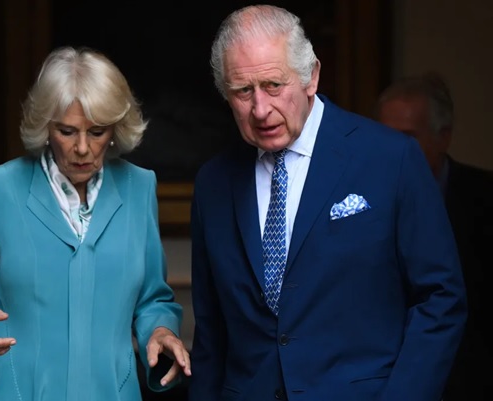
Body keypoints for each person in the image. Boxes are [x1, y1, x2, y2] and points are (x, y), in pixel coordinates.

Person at [188, 5, 467, 401]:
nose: (260, 109)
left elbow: (440, 298)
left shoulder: (390, 159)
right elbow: (211, 331)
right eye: (243, 91)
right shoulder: (214, 183)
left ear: (311, 76)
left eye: (273, 85)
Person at [0, 46, 191, 401]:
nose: (82, 148)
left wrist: (161, 331)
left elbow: (153, 299)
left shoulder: (139, 188)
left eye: (97, 132)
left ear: (115, 129)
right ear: (46, 128)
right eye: (67, 131)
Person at [375, 72, 493, 401]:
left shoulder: (484, 200)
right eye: (384, 136)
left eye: (406, 137)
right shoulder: (360, 200)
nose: (391, 149)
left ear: (443, 137)